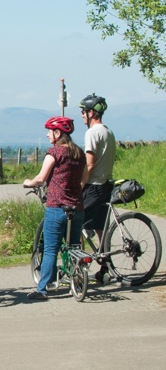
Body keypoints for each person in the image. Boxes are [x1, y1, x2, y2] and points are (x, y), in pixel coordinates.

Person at [24, 116, 88, 300]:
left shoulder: (55, 152)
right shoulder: (79, 153)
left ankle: (42, 288)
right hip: (77, 206)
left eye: (49, 131)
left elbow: (41, 178)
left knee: (51, 248)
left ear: (58, 133)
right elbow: (85, 178)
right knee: (73, 245)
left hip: (56, 206)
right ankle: (76, 280)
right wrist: (74, 191)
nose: (47, 134)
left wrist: (28, 183)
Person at [79, 94, 116, 282]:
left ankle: (79, 269)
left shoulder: (92, 133)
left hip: (93, 185)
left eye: (83, 112)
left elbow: (90, 164)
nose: (82, 115)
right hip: (106, 184)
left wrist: (79, 183)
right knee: (100, 227)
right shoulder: (108, 131)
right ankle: (105, 267)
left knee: (75, 224)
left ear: (92, 112)